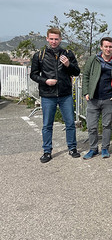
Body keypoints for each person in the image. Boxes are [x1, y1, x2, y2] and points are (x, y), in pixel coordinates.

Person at [30, 27, 81, 163]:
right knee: (47, 124)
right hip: (47, 95)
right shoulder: (39, 55)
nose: (53, 41)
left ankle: (72, 148)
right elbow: (33, 75)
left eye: (56, 39)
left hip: (65, 94)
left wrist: (68, 64)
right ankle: (47, 151)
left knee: (70, 123)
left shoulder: (68, 54)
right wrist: (46, 81)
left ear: (60, 39)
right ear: (47, 39)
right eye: (51, 39)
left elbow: (76, 72)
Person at [82, 37, 112, 159]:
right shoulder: (93, 59)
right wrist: (86, 92)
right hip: (93, 98)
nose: (108, 49)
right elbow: (86, 75)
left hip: (109, 98)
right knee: (92, 126)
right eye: (106, 46)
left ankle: (105, 149)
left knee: (107, 125)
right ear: (101, 47)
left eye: (110, 47)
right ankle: (93, 149)